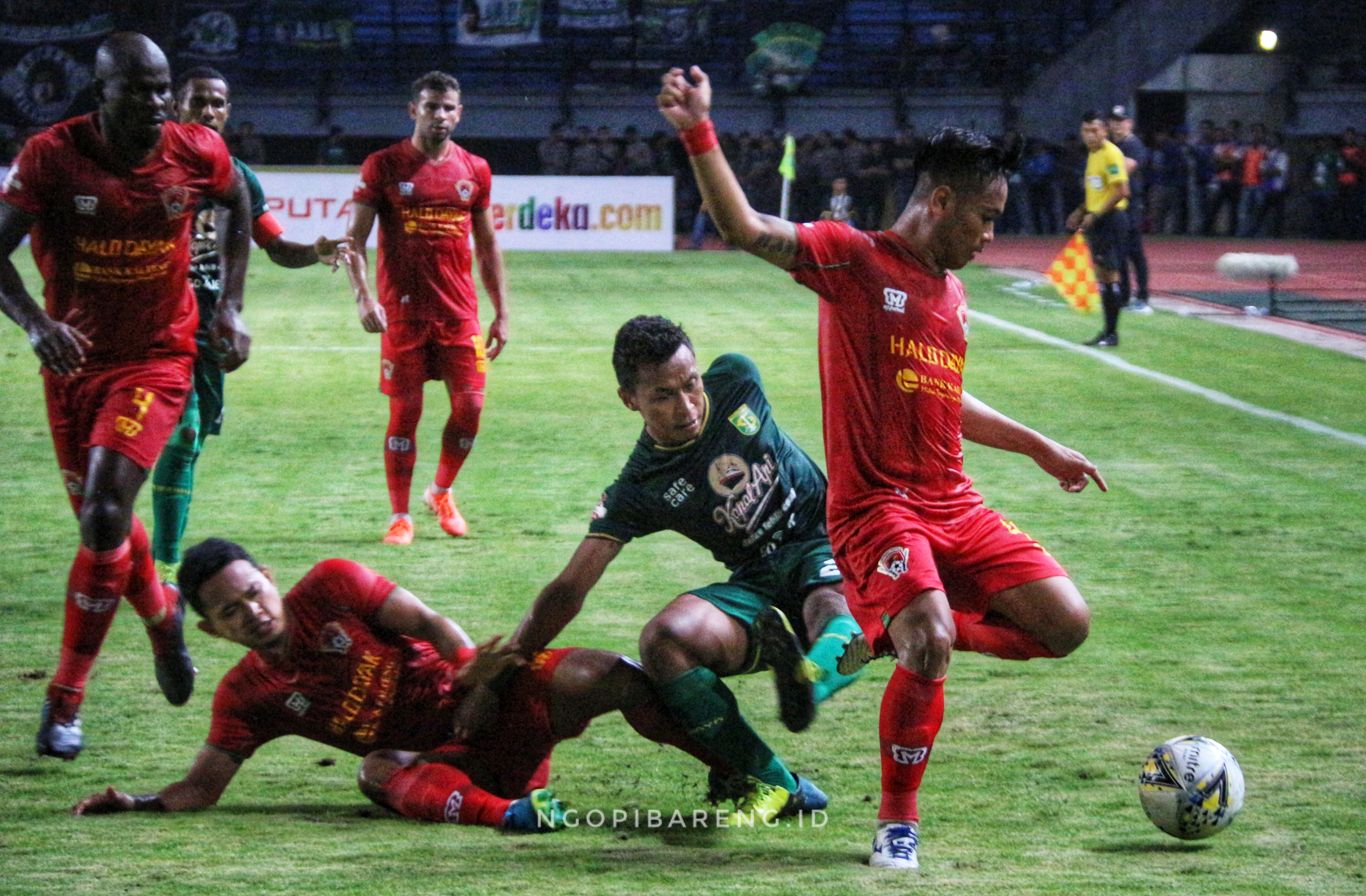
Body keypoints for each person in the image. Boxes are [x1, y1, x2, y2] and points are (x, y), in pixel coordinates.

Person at [656, 65, 1106, 869]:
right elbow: (745, 227)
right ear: (939, 202)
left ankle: (885, 637)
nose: (992, 236)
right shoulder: (856, 261)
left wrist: (1040, 447)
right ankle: (898, 818)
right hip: (878, 510)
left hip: (955, 503)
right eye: (986, 218)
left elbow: (943, 401)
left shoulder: (953, 296)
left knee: (1065, 626)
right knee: (929, 633)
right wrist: (698, 130)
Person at [72, 538, 724, 831]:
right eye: (232, 611)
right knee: (377, 772)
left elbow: (431, 622)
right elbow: (201, 789)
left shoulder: (332, 583)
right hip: (443, 770)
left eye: (254, 591)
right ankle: (516, 818)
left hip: (488, 711)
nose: (254, 611)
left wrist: (477, 681)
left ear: (269, 576)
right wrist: (136, 803)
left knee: (609, 675)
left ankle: (735, 768)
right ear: (214, 631)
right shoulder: (245, 696)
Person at [0, 33, 253, 760]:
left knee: (105, 510)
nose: (153, 102)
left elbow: (235, 200)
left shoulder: (193, 149)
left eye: (160, 87)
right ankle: (161, 613)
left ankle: (64, 698)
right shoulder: (53, 157)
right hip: (74, 365)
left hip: (158, 357)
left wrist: (229, 306)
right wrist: (37, 323)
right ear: (101, 92)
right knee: (103, 524)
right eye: (135, 89)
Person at [511, 315, 865, 826]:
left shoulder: (738, 378)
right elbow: (571, 586)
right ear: (629, 400)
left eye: (691, 384)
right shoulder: (640, 485)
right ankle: (778, 785)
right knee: (663, 641)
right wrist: (516, 655)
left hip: (827, 539)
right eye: (663, 396)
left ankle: (809, 681)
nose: (687, 406)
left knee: (830, 605)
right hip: (754, 578)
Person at [151, 66, 352, 583]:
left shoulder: (238, 177)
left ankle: (158, 556)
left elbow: (277, 248)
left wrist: (315, 251)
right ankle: (164, 565)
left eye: (218, 103)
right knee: (182, 433)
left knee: (190, 444)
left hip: (209, 328)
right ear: (177, 106)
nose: (209, 112)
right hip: (155, 323)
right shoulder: (153, 166)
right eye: (199, 102)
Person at [343, 71, 509, 544]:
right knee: (406, 413)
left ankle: (440, 492)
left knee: (471, 407)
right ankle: (401, 517)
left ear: (460, 113)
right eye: (431, 106)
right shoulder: (384, 165)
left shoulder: (475, 170)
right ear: (413, 110)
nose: (440, 115)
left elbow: (488, 245)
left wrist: (501, 311)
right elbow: (353, 240)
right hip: (404, 315)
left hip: (460, 315)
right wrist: (363, 296)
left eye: (448, 107)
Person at [1067, 111, 1131, 347]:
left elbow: (1121, 191)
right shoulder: (1093, 155)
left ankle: (1112, 333)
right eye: (1086, 130)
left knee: (1110, 275)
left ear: (1105, 130)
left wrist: (1094, 214)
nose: (1090, 135)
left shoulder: (1111, 154)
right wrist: (1081, 210)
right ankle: (1107, 331)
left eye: (1095, 130)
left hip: (1111, 219)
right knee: (1103, 275)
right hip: (1099, 219)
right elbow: (1098, 192)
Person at [1107, 106, 1152, 314]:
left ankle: (1142, 295)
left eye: (1121, 120)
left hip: (1131, 205)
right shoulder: (1113, 146)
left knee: (1134, 253)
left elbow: (1125, 169)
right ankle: (1123, 295)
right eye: (1114, 120)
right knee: (1119, 252)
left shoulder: (1133, 145)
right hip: (1116, 205)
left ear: (1129, 123)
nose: (1117, 124)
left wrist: (1104, 169)